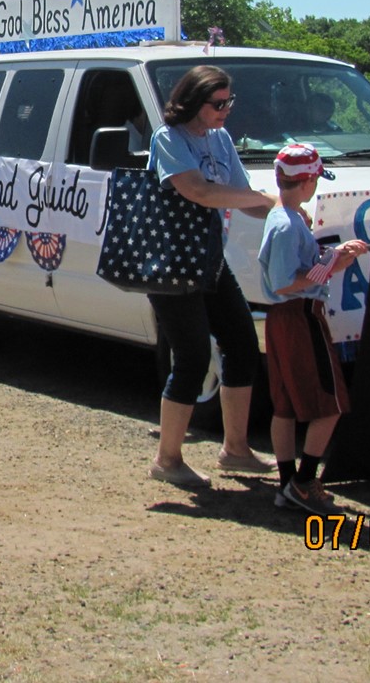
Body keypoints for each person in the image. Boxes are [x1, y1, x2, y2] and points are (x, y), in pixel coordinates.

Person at [145, 65, 280, 489]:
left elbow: (242, 199)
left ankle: (235, 450)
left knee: (242, 345)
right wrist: (265, 200)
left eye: (229, 102)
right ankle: (168, 460)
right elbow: (199, 191)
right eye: (218, 104)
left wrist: (284, 208)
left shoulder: (221, 140)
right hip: (171, 264)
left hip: (210, 260)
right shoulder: (167, 139)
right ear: (193, 101)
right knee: (191, 357)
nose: (226, 111)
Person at [256, 143, 366, 516]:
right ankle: (303, 483)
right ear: (306, 182)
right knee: (330, 404)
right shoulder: (288, 224)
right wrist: (335, 265)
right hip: (299, 316)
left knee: (285, 405)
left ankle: (288, 484)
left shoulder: (282, 216)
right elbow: (285, 280)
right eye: (316, 178)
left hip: (282, 319)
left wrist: (333, 256)